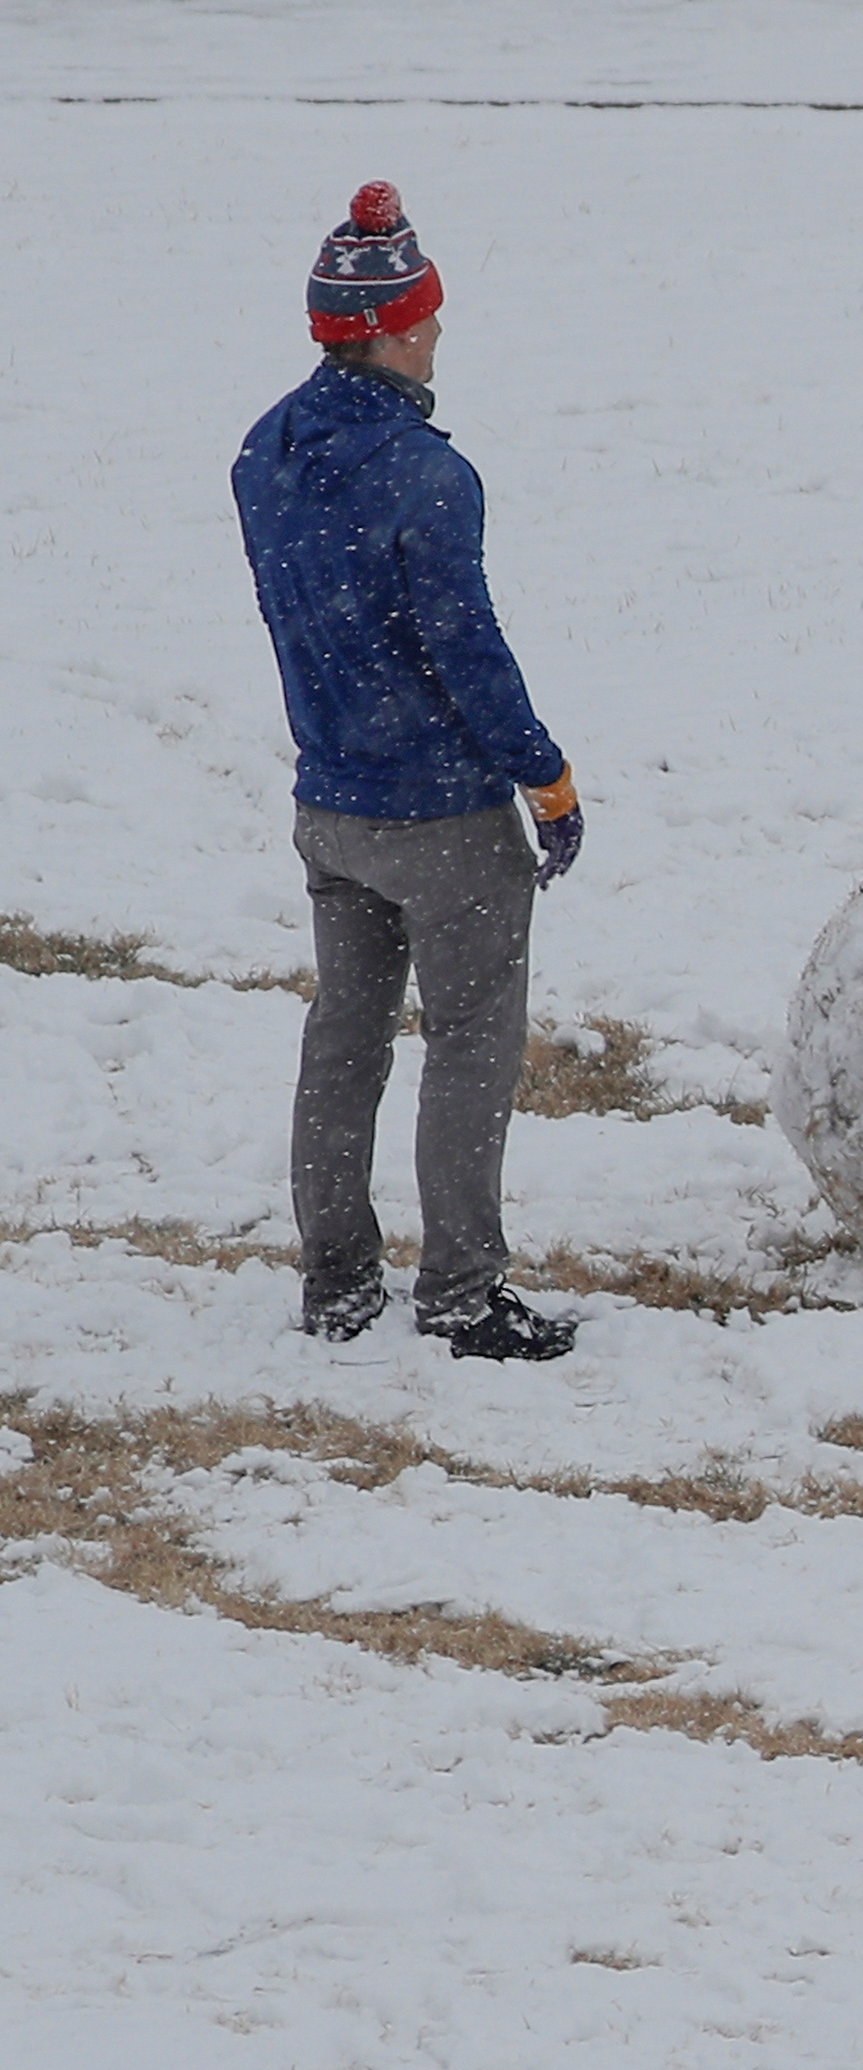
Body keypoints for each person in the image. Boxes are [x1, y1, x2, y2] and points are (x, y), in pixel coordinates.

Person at [229, 182, 587, 1361]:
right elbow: (465, 652)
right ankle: (463, 1294)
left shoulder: (265, 451)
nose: (437, 333)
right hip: (441, 817)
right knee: (473, 1041)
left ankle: (336, 1281)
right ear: (385, 329)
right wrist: (544, 777)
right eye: (424, 317)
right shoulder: (428, 477)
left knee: (345, 1037)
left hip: (329, 802)